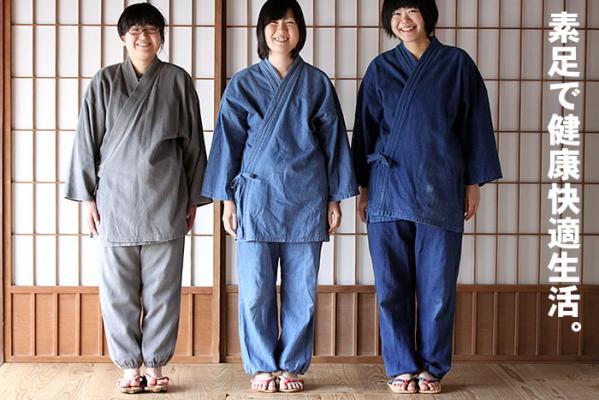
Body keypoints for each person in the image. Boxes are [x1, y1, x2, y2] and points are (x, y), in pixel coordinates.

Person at [201, 0, 357, 393]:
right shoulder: (243, 84)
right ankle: (261, 365)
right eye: (273, 23)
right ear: (262, 31)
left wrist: (334, 198)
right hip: (256, 198)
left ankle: (291, 365)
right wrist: (228, 201)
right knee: (255, 290)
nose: (281, 30)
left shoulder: (316, 83)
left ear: (300, 31)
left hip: (306, 197)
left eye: (289, 22)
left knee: (301, 290)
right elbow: (228, 144)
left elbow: (334, 143)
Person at [351, 0, 502, 394]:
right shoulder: (380, 69)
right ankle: (402, 366)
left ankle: (432, 367)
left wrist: (473, 183)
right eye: (396, 14)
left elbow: (475, 127)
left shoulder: (457, 65)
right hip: (388, 190)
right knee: (392, 286)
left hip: (441, 187)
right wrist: (364, 190)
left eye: (412, 11)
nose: (404, 21)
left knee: (437, 287)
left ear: (428, 16)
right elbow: (365, 132)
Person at [64, 3, 210, 394]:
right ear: (123, 38)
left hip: (166, 198)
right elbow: (85, 142)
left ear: (161, 36)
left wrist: (192, 198)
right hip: (115, 201)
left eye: (151, 29)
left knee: (163, 290)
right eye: (135, 31)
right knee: (118, 291)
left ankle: (157, 364)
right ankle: (130, 368)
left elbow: (193, 145)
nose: (143, 37)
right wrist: (88, 200)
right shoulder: (104, 81)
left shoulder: (178, 80)